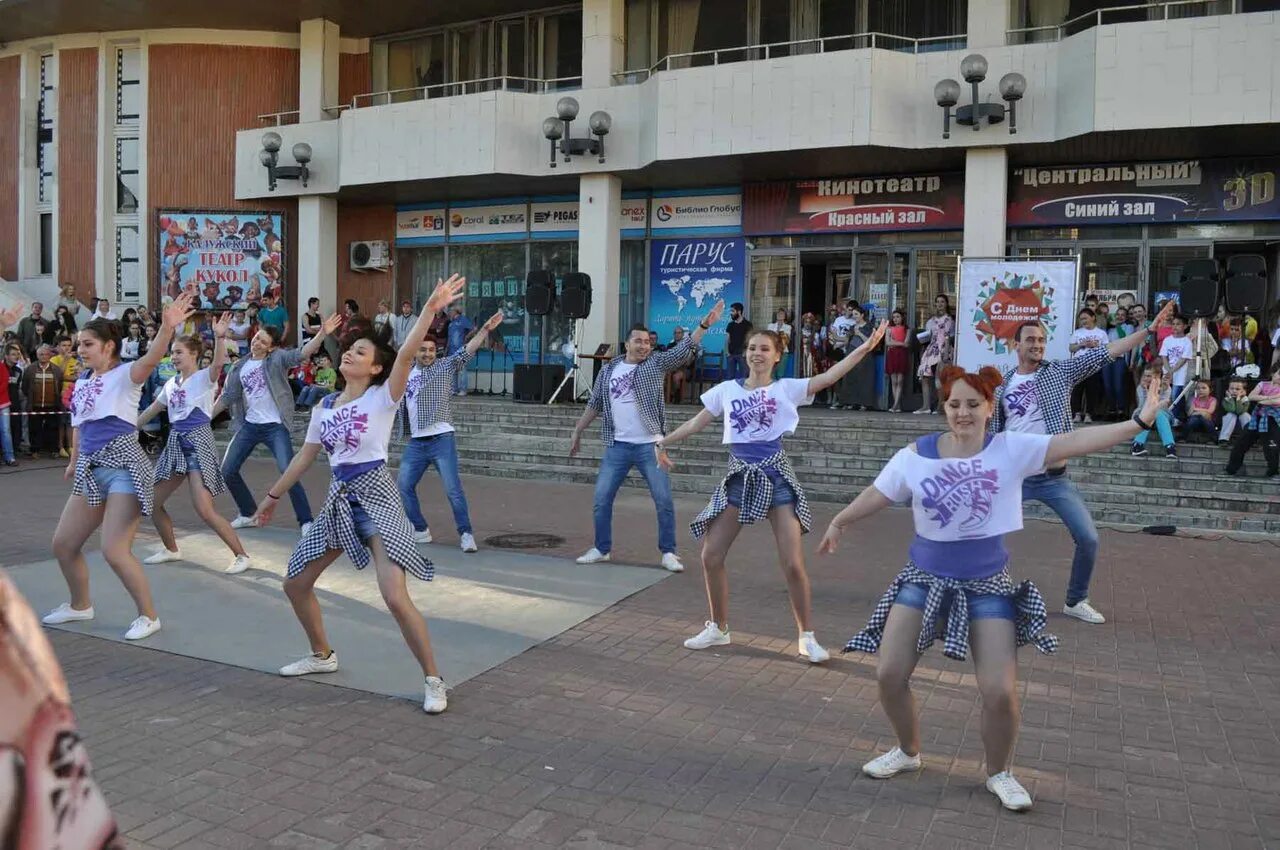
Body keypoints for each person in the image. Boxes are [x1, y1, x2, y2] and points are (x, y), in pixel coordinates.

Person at [825, 365, 1165, 812]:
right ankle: (908, 752)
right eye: (953, 404)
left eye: (972, 404)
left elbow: (1074, 443)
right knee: (888, 674)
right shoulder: (915, 455)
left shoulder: (1011, 449)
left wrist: (1139, 421)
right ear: (943, 407)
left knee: (999, 691)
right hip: (923, 579)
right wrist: (840, 519)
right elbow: (880, 492)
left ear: (990, 407)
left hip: (988, 585)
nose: (962, 412)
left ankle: (999, 772)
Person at [251, 276, 469, 715]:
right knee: (295, 584)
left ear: (375, 368)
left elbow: (406, 353)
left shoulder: (383, 397)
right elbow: (305, 457)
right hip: (338, 499)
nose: (350, 353)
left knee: (393, 595)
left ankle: (433, 679)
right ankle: (322, 655)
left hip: (377, 497)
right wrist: (272, 497)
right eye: (350, 349)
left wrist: (429, 309)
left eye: (362, 352)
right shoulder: (325, 406)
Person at [658, 321, 887, 662]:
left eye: (765, 349)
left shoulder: (787, 388)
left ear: (778, 356)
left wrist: (864, 349)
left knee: (793, 563)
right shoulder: (726, 390)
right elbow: (696, 423)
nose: (757, 354)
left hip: (776, 476)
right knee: (710, 555)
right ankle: (718, 628)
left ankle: (806, 637)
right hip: (739, 477)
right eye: (752, 348)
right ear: (745, 354)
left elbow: (829, 378)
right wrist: (664, 441)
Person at [990, 301, 1174, 625]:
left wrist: (1147, 331)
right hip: (1014, 477)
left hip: (1053, 478)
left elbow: (1107, 352)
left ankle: (1076, 600)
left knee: (1088, 538)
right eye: (1030, 340)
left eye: (1041, 340)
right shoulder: (1001, 387)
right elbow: (993, 433)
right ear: (1015, 344)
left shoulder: (1059, 371)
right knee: (986, 534)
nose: (1037, 345)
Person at [41, 292, 196, 641]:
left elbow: (154, 356)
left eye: (88, 344)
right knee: (63, 544)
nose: (81, 349)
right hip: (91, 469)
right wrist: (75, 461)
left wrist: (167, 329)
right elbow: (80, 426)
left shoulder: (127, 374)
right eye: (79, 344)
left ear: (109, 346)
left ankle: (148, 615)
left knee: (114, 549)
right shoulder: (82, 383)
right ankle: (80, 605)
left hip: (124, 466)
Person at [569, 300, 726, 572]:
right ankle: (601, 548)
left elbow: (683, 351)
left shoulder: (655, 363)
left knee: (663, 500)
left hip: (650, 446)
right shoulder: (609, 369)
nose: (644, 346)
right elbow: (595, 403)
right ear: (626, 343)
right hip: (617, 446)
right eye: (638, 341)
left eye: (647, 342)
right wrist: (578, 430)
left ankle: (668, 552)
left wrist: (703, 325)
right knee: (601, 499)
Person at [136, 313, 251, 574]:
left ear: (194, 355)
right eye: (172, 352)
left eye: (179, 352)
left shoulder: (204, 378)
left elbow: (219, 364)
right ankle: (171, 549)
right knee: (151, 501)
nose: (174, 357)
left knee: (204, 509)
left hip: (198, 443)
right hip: (176, 443)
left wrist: (220, 337)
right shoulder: (170, 383)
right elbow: (153, 409)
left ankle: (242, 555)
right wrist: (128, 428)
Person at [397, 309, 504, 553]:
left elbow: (467, 351)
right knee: (403, 485)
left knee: (453, 490)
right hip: (416, 442)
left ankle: (466, 533)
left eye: (431, 350)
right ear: (414, 351)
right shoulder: (405, 374)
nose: (427, 354)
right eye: (422, 350)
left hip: (441, 439)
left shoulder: (444, 367)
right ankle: (420, 529)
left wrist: (485, 329)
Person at [217, 317, 334, 531]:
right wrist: (204, 418)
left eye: (262, 341)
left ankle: (306, 520)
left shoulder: (277, 359)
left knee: (288, 471)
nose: (256, 343)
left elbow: (301, 353)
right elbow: (228, 396)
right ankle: (248, 513)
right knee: (227, 470)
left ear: (271, 347)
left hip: (275, 426)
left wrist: (322, 333)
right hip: (249, 426)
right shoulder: (239, 366)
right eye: (256, 338)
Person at [1224, 364, 1280, 478]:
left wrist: (1264, 399)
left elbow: (1276, 402)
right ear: (1272, 373)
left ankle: (1273, 471)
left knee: (1271, 447)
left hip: (1272, 420)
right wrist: (1270, 398)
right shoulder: (1262, 384)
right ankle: (1231, 469)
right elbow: (1251, 396)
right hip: (1257, 418)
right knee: (1241, 443)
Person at [915, 295, 954, 415]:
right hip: (931, 350)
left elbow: (948, 337)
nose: (940, 304)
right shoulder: (930, 321)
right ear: (935, 304)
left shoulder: (949, 320)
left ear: (946, 304)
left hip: (943, 349)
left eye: (942, 302)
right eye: (937, 302)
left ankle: (939, 406)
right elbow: (927, 337)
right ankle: (926, 406)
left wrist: (946, 352)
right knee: (925, 377)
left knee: (939, 378)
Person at [22, 344, 63, 459]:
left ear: (50, 355)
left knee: (53, 428)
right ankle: (35, 450)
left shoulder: (56, 370)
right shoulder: (30, 369)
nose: (44, 356)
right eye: (41, 354)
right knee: (34, 428)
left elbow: (59, 386)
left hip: (52, 404)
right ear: (37, 355)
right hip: (35, 404)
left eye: (46, 354)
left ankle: (54, 450)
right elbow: (25, 387)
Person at [1068, 307, 1109, 423]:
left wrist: (1095, 346)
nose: (1083, 321)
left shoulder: (1101, 333)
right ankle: (1076, 413)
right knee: (1077, 390)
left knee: (1092, 390)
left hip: (1094, 365)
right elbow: (1071, 348)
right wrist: (1081, 344)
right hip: (1078, 365)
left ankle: (1089, 414)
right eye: (1081, 319)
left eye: (1085, 318)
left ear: (1093, 317)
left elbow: (1106, 349)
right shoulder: (1077, 332)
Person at [835, 304, 879, 411]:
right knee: (851, 377)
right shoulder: (851, 327)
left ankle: (864, 403)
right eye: (853, 314)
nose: (854, 316)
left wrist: (859, 333)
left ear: (862, 315)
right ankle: (850, 402)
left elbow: (870, 342)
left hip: (864, 354)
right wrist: (837, 342)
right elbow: (847, 340)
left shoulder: (868, 326)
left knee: (864, 379)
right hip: (851, 352)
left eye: (856, 314)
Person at [1130, 367, 1176, 457]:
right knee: (1149, 413)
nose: (1146, 378)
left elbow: (1164, 406)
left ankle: (1137, 445)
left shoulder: (1166, 388)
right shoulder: (1141, 388)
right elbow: (1143, 406)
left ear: (1156, 377)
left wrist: (1162, 391)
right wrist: (1146, 391)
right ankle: (1170, 447)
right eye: (1145, 376)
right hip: (1145, 415)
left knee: (1156, 412)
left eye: (1149, 376)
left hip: (1163, 416)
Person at [1158, 315, 1194, 423]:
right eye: (1173, 324)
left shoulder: (1187, 341)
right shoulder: (1167, 340)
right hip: (1167, 372)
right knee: (1166, 394)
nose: (1175, 326)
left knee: (1176, 395)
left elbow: (1183, 359)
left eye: (1178, 324)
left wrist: (1173, 371)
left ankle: (1176, 418)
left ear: (1185, 326)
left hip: (1180, 373)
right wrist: (1168, 371)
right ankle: (1167, 416)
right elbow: (1164, 356)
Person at [1103, 306, 1133, 418]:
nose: (1119, 317)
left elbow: (1125, 339)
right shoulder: (1110, 329)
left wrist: (1118, 326)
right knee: (1107, 385)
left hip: (1120, 359)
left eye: (1122, 315)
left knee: (1118, 385)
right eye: (1118, 314)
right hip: (1108, 359)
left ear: (1125, 317)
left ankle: (1121, 409)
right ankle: (1111, 409)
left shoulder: (1128, 327)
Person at [445, 306, 475, 396]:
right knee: (453, 370)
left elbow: (474, 329)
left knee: (462, 370)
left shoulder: (463, 319)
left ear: (456, 311)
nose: (449, 312)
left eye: (451, 310)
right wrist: (447, 348)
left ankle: (463, 389)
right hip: (451, 350)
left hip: (460, 349)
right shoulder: (451, 322)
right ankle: (454, 389)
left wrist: (467, 337)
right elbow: (449, 337)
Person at [884, 309, 910, 412]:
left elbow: (907, 343)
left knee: (900, 380)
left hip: (902, 354)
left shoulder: (907, 329)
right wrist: (900, 343)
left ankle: (896, 405)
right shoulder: (889, 329)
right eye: (894, 317)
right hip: (892, 354)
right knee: (893, 380)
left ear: (902, 317)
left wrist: (894, 342)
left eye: (898, 317)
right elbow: (887, 342)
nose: (895, 319)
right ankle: (896, 405)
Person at [1183, 379, 1217, 443]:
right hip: (1195, 422)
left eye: (1204, 388)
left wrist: (1196, 410)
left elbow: (1210, 411)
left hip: (1208, 422)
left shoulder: (1213, 400)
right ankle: (1184, 437)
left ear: (1210, 390)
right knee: (1193, 419)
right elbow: (1189, 414)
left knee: (1205, 417)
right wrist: (1201, 413)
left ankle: (1213, 439)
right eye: (1198, 388)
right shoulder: (1195, 400)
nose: (1200, 390)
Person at [1219, 379, 1251, 444]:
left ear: (1243, 391)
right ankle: (1223, 439)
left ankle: (1249, 439)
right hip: (1229, 425)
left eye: (1237, 389)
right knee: (1231, 414)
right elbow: (1232, 409)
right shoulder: (1226, 400)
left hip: (1241, 425)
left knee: (1245, 415)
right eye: (1231, 388)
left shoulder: (1245, 400)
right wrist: (1231, 398)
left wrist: (1238, 399)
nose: (1234, 391)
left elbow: (1240, 411)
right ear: (1228, 390)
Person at [725, 303, 752, 380]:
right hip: (731, 354)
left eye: (733, 311)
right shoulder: (730, 325)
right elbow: (727, 339)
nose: (731, 313)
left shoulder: (748, 324)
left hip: (742, 355)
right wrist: (727, 352)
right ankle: (730, 392)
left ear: (739, 312)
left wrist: (745, 352)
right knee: (730, 378)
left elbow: (750, 339)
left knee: (744, 377)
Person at [766, 308, 792, 378]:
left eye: (782, 314)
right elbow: (769, 338)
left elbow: (786, 340)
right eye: (778, 314)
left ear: (785, 316)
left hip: (783, 352)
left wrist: (778, 333)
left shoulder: (788, 327)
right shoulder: (770, 326)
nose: (780, 315)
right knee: (771, 373)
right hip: (772, 351)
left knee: (780, 374)